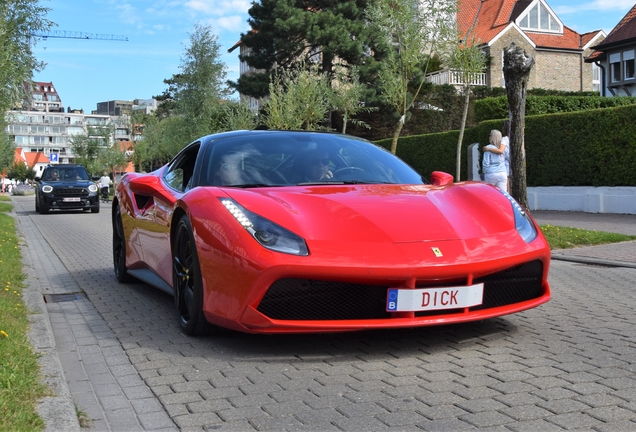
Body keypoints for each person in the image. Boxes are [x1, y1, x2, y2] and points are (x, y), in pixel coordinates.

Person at [483, 120, 510, 191]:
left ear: (492, 137)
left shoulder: (487, 149)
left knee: (490, 194)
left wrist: (485, 172)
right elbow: (508, 157)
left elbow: (486, 163)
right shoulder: (503, 148)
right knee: (503, 195)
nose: (489, 137)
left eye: (490, 135)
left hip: (491, 174)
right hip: (502, 173)